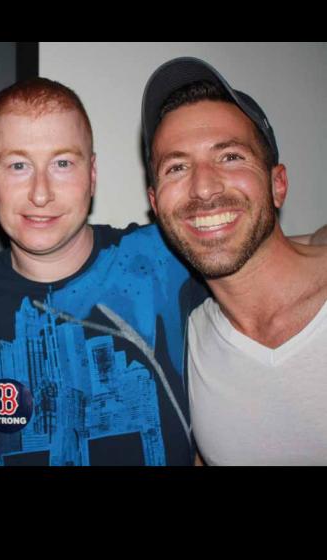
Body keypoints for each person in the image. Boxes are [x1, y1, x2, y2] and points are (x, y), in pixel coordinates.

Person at [0, 77, 208, 466]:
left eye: (62, 163)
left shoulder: (165, 258)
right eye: (18, 165)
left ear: (92, 174)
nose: (40, 193)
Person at [143, 57, 327, 465]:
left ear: (278, 184)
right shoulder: (187, 343)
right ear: (155, 204)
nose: (204, 188)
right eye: (177, 167)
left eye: (229, 157)